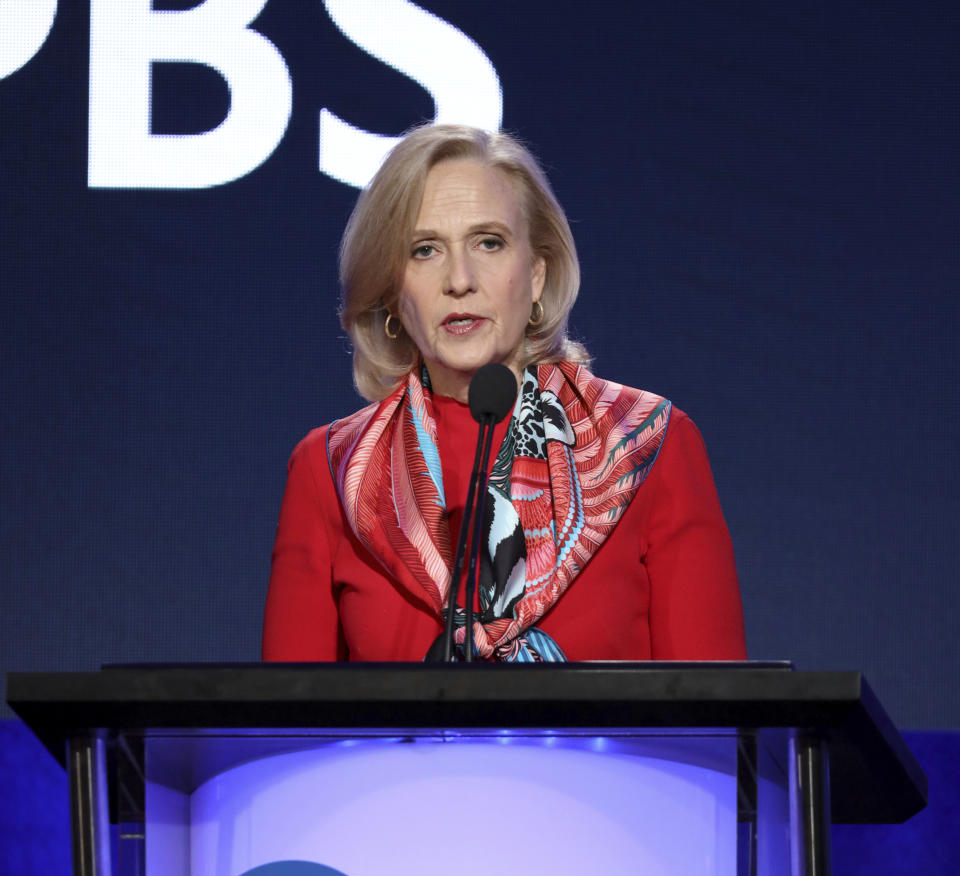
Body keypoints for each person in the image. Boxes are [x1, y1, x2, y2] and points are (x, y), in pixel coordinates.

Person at [262, 125, 746, 663]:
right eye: (425, 250)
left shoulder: (649, 445)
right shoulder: (331, 472)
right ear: (393, 292)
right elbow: (286, 727)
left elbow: (715, 722)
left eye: (488, 242)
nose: (460, 279)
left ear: (537, 274)